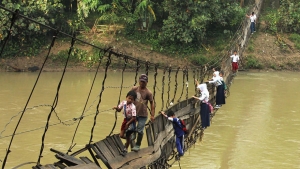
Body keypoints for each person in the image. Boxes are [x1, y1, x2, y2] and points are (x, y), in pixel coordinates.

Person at [131, 74, 155, 152]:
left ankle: (137, 145)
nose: (142, 83)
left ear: (147, 82)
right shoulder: (134, 89)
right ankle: (133, 133)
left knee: (140, 130)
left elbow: (152, 103)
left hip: (143, 115)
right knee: (131, 128)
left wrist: (152, 115)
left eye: (144, 82)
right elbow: (129, 97)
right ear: (139, 81)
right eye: (141, 81)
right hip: (134, 113)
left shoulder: (148, 93)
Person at [112, 90, 137, 155]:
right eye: (129, 98)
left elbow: (134, 117)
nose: (130, 100)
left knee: (128, 135)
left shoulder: (133, 107)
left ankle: (125, 149)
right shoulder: (123, 102)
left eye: (132, 99)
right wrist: (116, 108)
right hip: (125, 120)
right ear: (126, 97)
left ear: (134, 100)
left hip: (131, 121)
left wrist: (128, 124)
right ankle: (129, 140)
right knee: (121, 135)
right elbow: (119, 110)